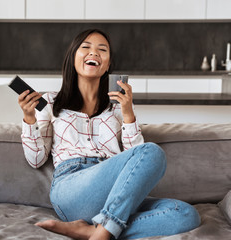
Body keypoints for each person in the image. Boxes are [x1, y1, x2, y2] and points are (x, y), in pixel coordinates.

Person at [18, 29, 200, 240]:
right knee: (152, 151)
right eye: (85, 47)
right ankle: (105, 232)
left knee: (186, 214)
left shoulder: (117, 107)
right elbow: (36, 159)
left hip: (114, 192)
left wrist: (128, 113)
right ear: (72, 57)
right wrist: (29, 118)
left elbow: (136, 158)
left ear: (107, 64)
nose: (94, 53)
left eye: (102, 50)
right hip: (72, 189)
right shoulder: (49, 102)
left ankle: (96, 229)